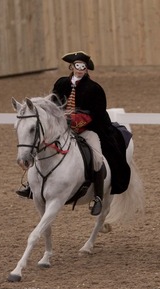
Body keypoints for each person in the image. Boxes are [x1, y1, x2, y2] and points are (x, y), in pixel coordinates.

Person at [16, 51, 131, 216]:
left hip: (88, 129)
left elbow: (95, 114)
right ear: (72, 67)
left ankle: (98, 196)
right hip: (63, 129)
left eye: (83, 67)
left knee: (97, 159)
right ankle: (31, 187)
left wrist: (77, 121)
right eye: (77, 66)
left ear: (86, 70)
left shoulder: (95, 89)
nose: (80, 70)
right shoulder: (62, 83)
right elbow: (52, 104)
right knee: (39, 146)